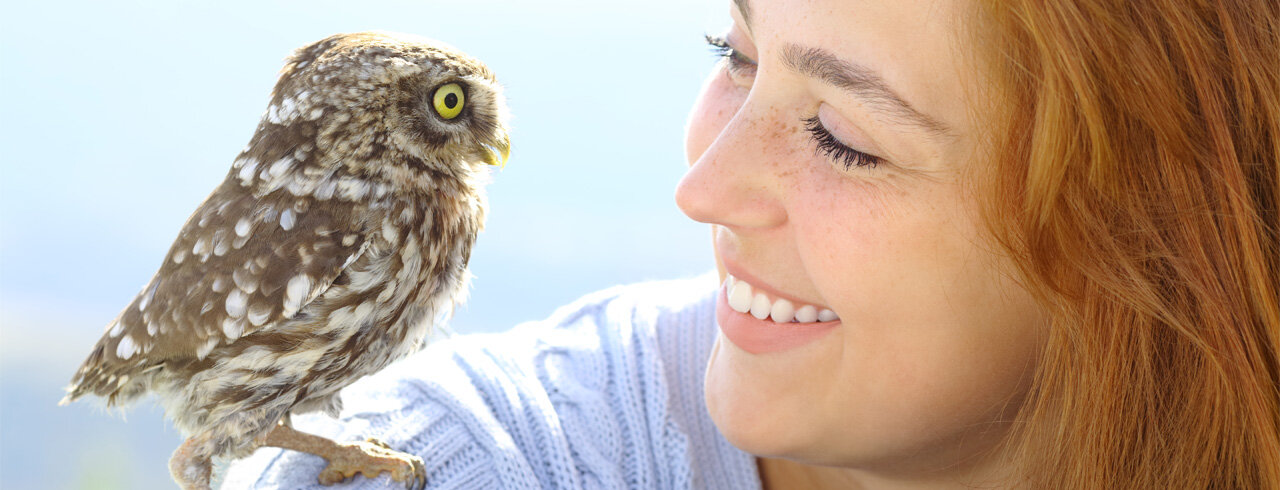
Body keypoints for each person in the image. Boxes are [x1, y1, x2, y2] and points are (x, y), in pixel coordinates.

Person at [225, 0, 1280, 488]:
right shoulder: (454, 464)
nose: (703, 187)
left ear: (1155, 229)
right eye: (732, 53)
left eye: (840, 137)